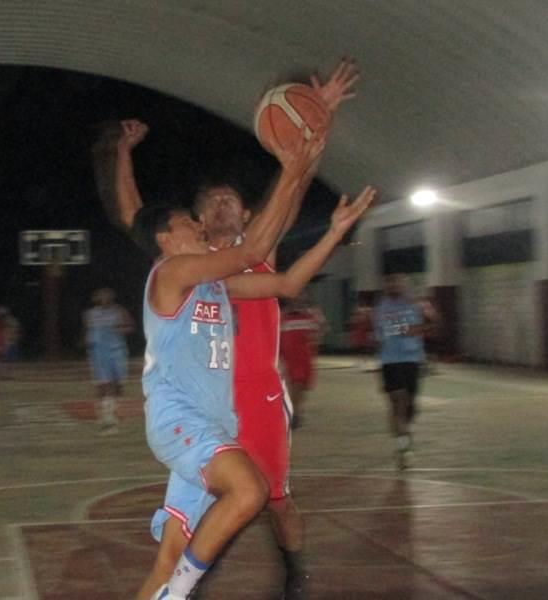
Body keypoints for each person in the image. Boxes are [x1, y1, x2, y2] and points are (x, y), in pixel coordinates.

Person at [93, 59, 360, 600]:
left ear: (244, 212)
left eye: (229, 201)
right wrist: (120, 154)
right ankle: (184, 589)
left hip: (245, 401)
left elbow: (280, 268)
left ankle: (286, 571)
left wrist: (312, 138)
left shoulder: (225, 279)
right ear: (184, 230)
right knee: (244, 495)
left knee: (259, 504)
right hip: (192, 413)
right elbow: (137, 218)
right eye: (203, 207)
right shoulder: (185, 272)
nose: (215, 208)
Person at [373, 273, 437, 470]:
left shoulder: (415, 305)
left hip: (412, 361)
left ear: (404, 284)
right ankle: (403, 449)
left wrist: (427, 317)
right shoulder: (382, 308)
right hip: (391, 362)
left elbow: (431, 327)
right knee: (399, 403)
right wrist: (411, 328)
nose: (395, 285)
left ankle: (402, 434)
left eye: (398, 282)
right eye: (391, 282)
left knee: (409, 409)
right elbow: (386, 332)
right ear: (386, 286)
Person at [83, 287, 135, 435]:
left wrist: (120, 329)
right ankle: (107, 420)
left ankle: (110, 411)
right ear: (97, 298)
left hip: (117, 351)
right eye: (101, 296)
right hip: (99, 353)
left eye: (107, 296)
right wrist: (88, 343)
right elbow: (88, 331)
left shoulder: (119, 311)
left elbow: (130, 327)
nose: (105, 298)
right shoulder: (90, 314)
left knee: (118, 386)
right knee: (105, 385)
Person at [279, 294, 326, 429]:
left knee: (303, 386)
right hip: (290, 358)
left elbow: (320, 330)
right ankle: (293, 414)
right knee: (296, 384)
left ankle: (296, 410)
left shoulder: (310, 315)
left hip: (305, 357)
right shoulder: (282, 316)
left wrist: (315, 340)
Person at [348, 298, 374, 371]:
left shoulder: (366, 311)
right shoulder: (363, 311)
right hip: (360, 331)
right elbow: (353, 321)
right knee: (359, 348)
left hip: (364, 331)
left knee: (363, 348)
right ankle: (360, 362)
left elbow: (370, 321)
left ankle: (363, 363)